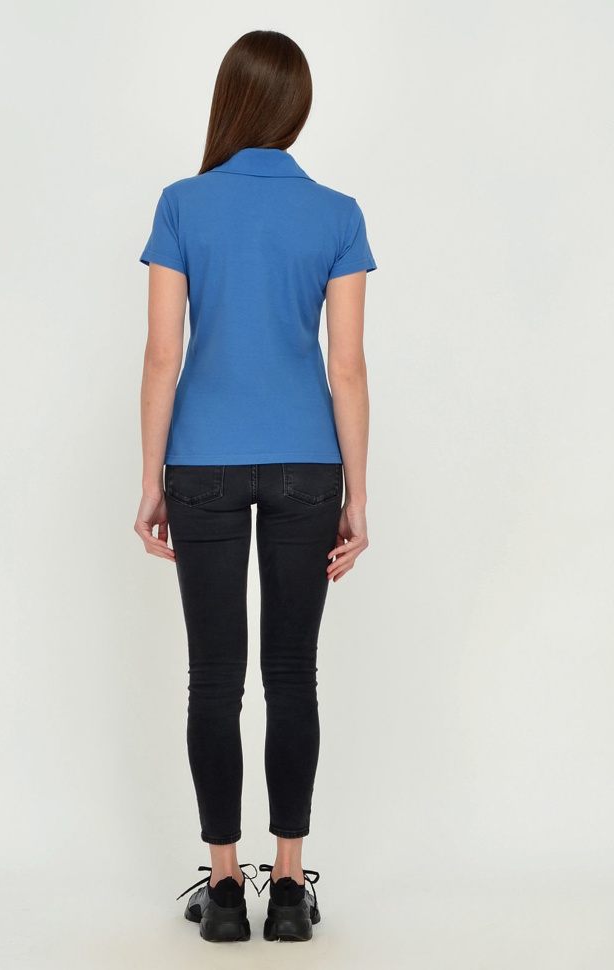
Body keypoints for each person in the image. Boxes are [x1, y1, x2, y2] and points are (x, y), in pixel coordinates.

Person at [135, 29, 377, 943]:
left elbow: (163, 355)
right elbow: (345, 367)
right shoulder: (337, 213)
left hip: (200, 461)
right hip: (307, 466)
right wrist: (358, 493)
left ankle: (226, 889)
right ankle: (288, 887)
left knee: (213, 678)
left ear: (229, 101)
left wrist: (150, 477)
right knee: (291, 675)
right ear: (296, 108)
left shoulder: (182, 204)